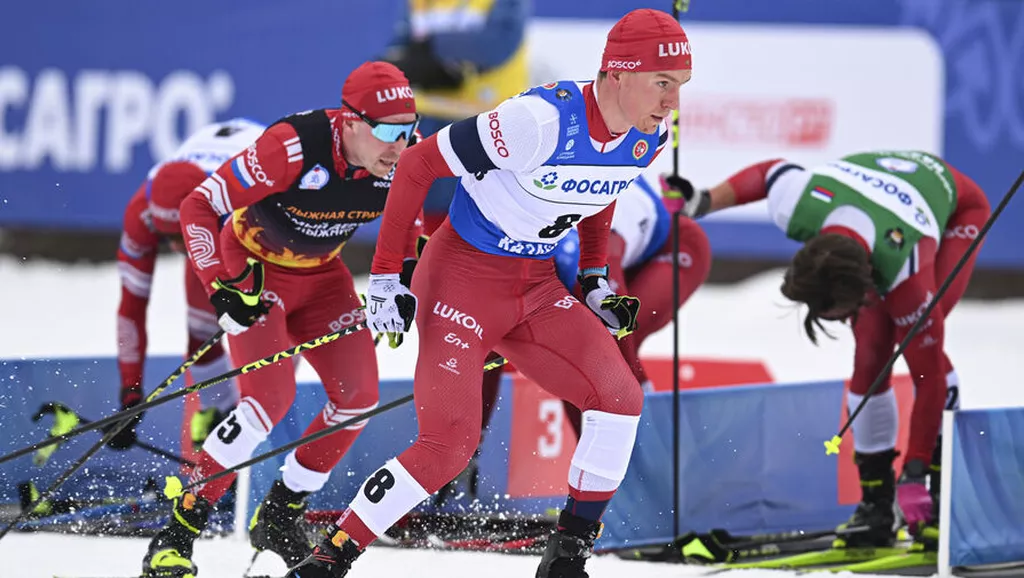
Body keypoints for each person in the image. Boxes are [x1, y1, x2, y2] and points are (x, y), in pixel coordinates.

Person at [288, 9, 692, 578]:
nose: (672, 101)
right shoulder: (538, 122)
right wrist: (385, 277)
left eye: (681, 85)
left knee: (620, 398)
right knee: (447, 446)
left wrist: (593, 279)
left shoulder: (649, 134)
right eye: (663, 82)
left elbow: (603, 191)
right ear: (619, 73)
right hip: (461, 279)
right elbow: (417, 165)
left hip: (536, 283)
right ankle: (330, 557)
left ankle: (566, 559)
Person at [139, 62, 423, 578]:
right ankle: (176, 534)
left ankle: (279, 514)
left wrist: (400, 285)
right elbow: (198, 207)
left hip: (322, 277)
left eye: (409, 129)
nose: (399, 146)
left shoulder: (407, 157)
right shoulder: (291, 147)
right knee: (267, 401)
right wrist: (219, 285)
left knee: (358, 400)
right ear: (350, 121)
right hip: (254, 268)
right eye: (387, 132)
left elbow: (412, 233)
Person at [665, 150, 990, 551]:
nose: (837, 322)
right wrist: (704, 200)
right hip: (872, 197)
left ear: (865, 286)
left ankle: (937, 494)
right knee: (870, 354)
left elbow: (930, 380)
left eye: (839, 314)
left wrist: (915, 471)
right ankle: (876, 502)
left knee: (922, 350)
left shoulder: (907, 274)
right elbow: (769, 172)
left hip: (957, 209)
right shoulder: (797, 204)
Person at [111, 118, 266, 456]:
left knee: (258, 319)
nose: (176, 248)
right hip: (208, 208)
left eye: (183, 237)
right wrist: (131, 393)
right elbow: (131, 306)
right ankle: (219, 412)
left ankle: (260, 418)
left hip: (251, 198)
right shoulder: (140, 213)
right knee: (200, 329)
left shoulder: (234, 200)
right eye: (168, 238)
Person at [554, 174, 711, 438]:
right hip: (617, 250)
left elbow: (617, 331)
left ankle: (649, 445)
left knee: (607, 345)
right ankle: (606, 455)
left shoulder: (582, 254)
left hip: (675, 244)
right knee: (573, 362)